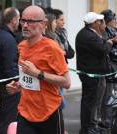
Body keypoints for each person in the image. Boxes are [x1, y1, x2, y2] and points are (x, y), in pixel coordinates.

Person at [7, 5, 71, 134]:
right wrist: (19, 85)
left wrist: (38, 73)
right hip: (25, 113)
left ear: (43, 24)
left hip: (49, 112)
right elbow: (28, 79)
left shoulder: (52, 48)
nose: (25, 25)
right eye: (23, 21)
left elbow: (66, 82)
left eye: (31, 21)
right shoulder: (21, 46)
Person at [75, 12, 114, 134]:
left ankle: (91, 126)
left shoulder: (90, 33)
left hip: (93, 73)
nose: (103, 24)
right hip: (91, 75)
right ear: (95, 23)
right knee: (90, 103)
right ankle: (88, 128)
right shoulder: (88, 36)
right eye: (100, 21)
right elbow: (103, 50)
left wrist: (106, 42)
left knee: (92, 102)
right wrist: (109, 43)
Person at [100, 9, 117, 134]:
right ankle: (105, 121)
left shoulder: (115, 32)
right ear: (108, 21)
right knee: (109, 96)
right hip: (110, 69)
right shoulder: (104, 33)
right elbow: (107, 51)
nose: (116, 21)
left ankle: (110, 120)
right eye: (114, 19)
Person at [0, 7, 20, 134]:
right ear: (14, 20)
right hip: (9, 87)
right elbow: (10, 66)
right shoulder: (8, 39)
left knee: (1, 119)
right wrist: (16, 82)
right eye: (19, 19)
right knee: (7, 120)